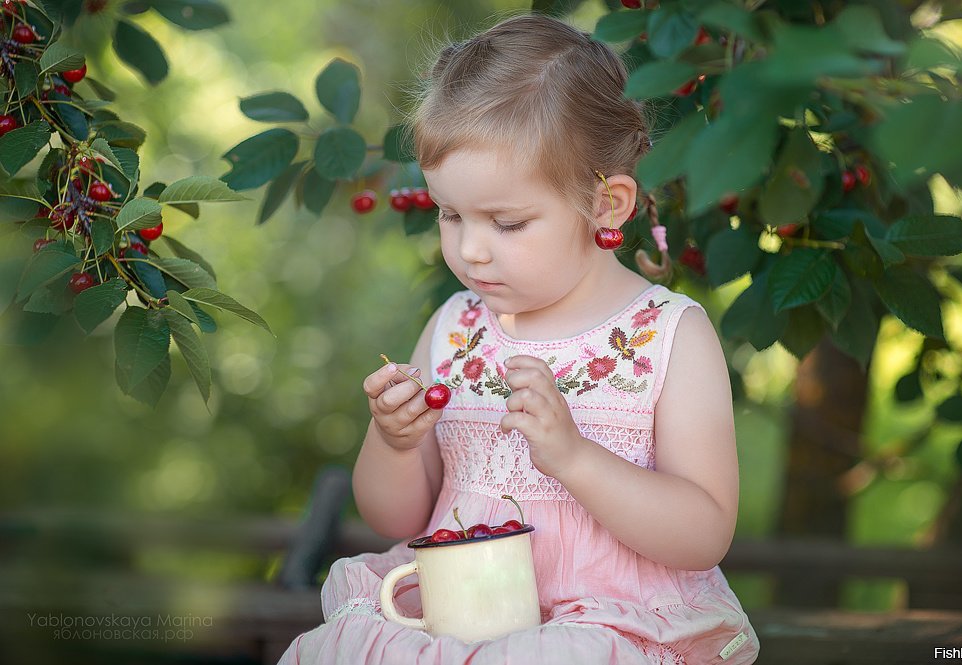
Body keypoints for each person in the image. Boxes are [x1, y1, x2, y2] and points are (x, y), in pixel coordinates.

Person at [277, 11, 759, 665]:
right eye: (450, 213)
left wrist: (575, 457)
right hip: (456, 623)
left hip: (608, 630)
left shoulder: (669, 335)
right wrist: (394, 441)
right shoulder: (455, 329)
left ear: (607, 204)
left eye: (506, 222)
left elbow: (704, 532)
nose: (471, 250)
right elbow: (396, 521)